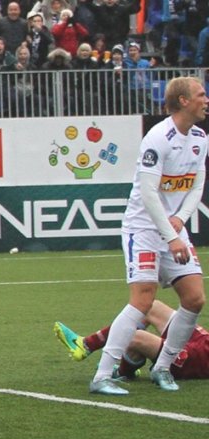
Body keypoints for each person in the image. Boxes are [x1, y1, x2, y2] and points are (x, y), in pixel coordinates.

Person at [88, 76, 208, 396]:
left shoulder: (199, 137)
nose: (206, 99)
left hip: (172, 229)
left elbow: (197, 185)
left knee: (194, 298)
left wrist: (180, 221)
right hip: (143, 228)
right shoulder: (158, 138)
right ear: (183, 101)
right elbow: (149, 193)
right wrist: (171, 236)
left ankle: (163, 367)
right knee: (142, 302)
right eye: (201, 94)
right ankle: (101, 376)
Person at [54, 300, 209, 382]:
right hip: (204, 341)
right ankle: (87, 344)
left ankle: (122, 372)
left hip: (201, 358)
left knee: (134, 336)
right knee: (149, 307)